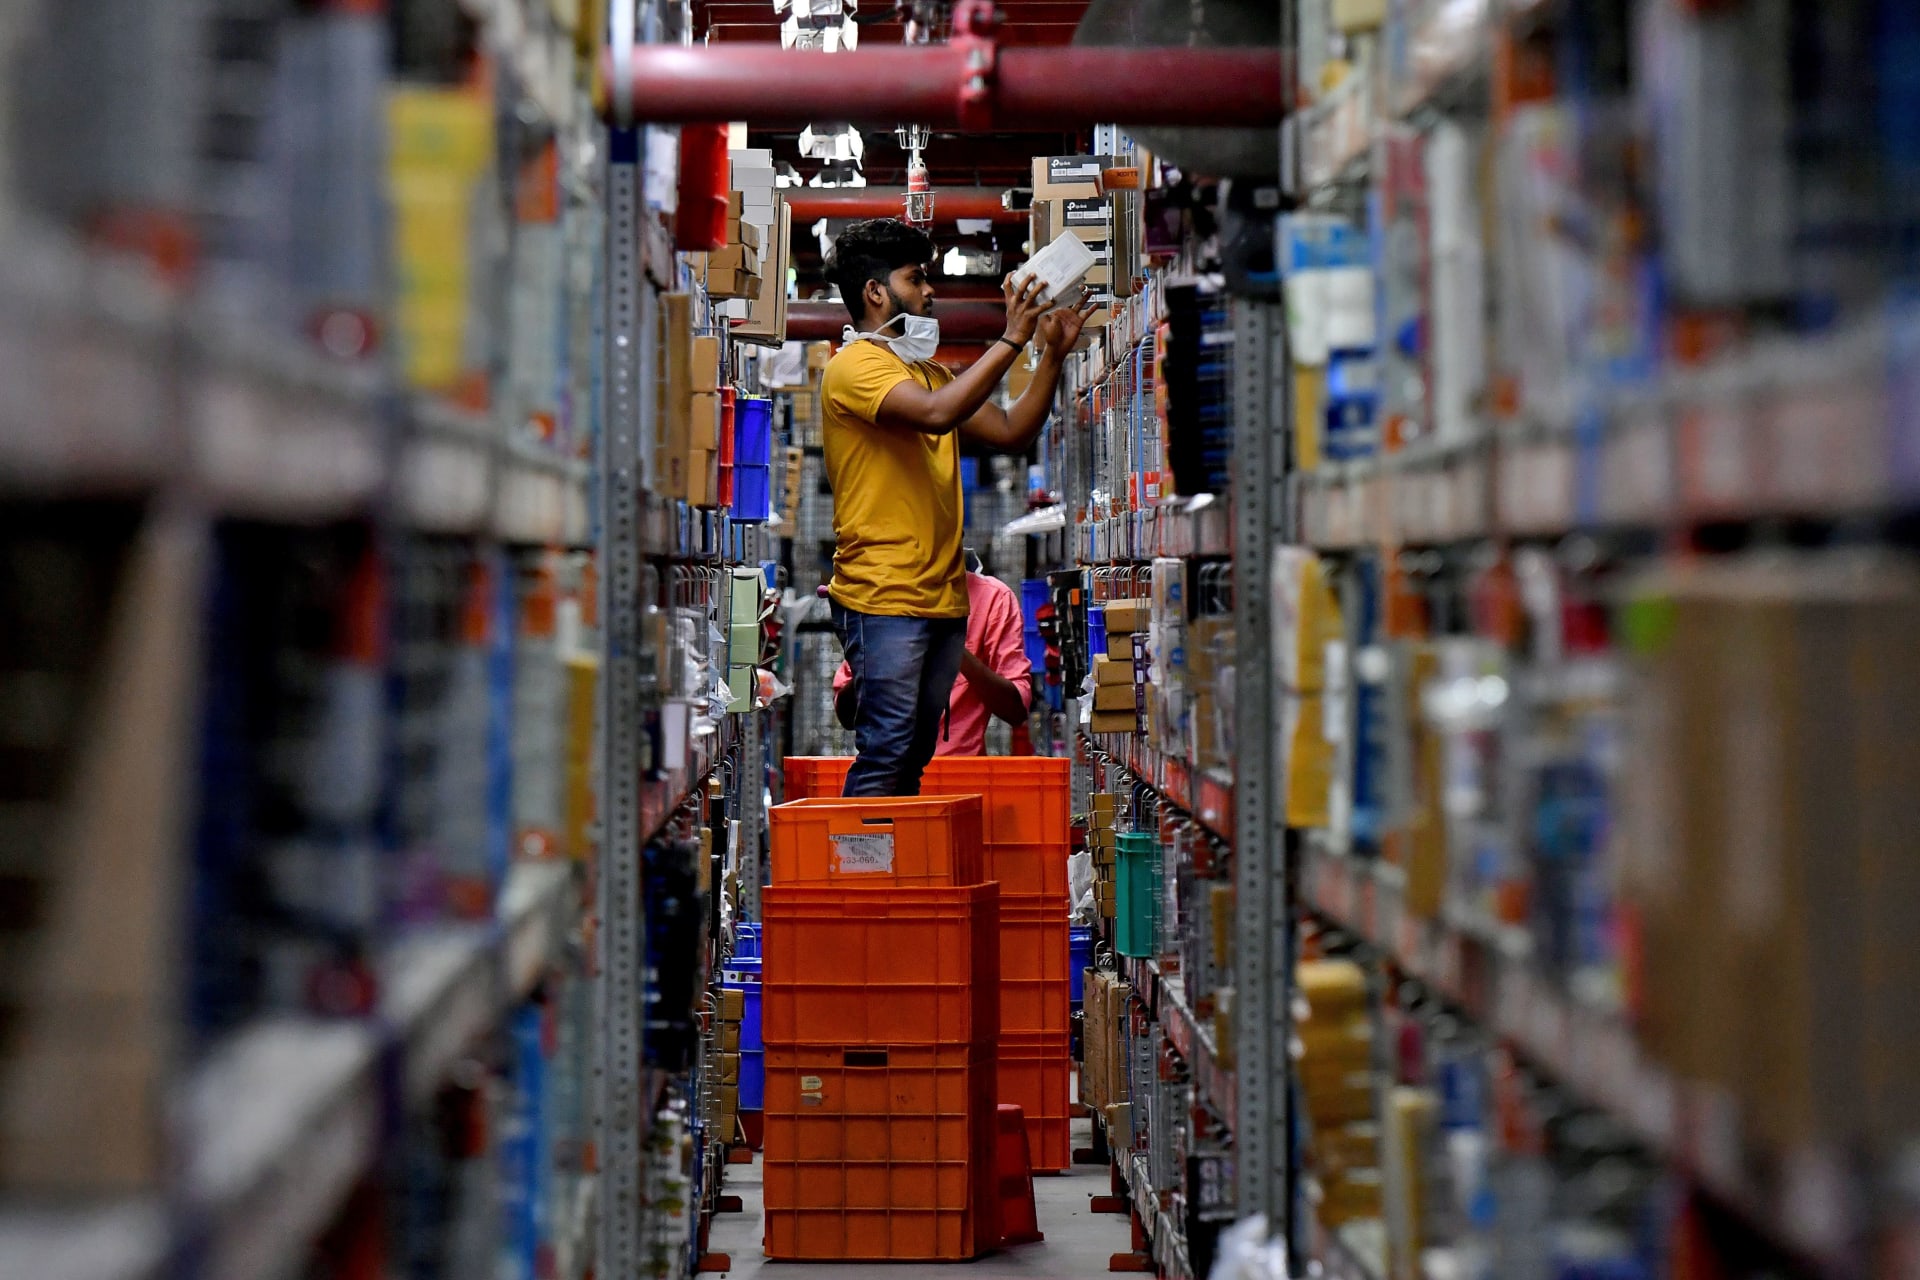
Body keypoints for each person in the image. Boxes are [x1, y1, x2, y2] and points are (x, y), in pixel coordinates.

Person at [821, 217, 1093, 796]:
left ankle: (890, 855)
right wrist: (1012, 337)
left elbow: (1011, 430)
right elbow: (938, 413)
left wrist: (1051, 356)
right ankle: (865, 858)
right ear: (875, 292)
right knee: (887, 750)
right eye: (915, 278)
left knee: (912, 756)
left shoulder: (925, 372)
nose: (929, 291)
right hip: (885, 596)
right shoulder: (855, 366)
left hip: (941, 600)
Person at [833, 554, 1033, 758]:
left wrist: (955, 650)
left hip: (959, 769)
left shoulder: (992, 598)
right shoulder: (880, 596)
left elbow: (1016, 711)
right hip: (888, 770)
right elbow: (847, 715)